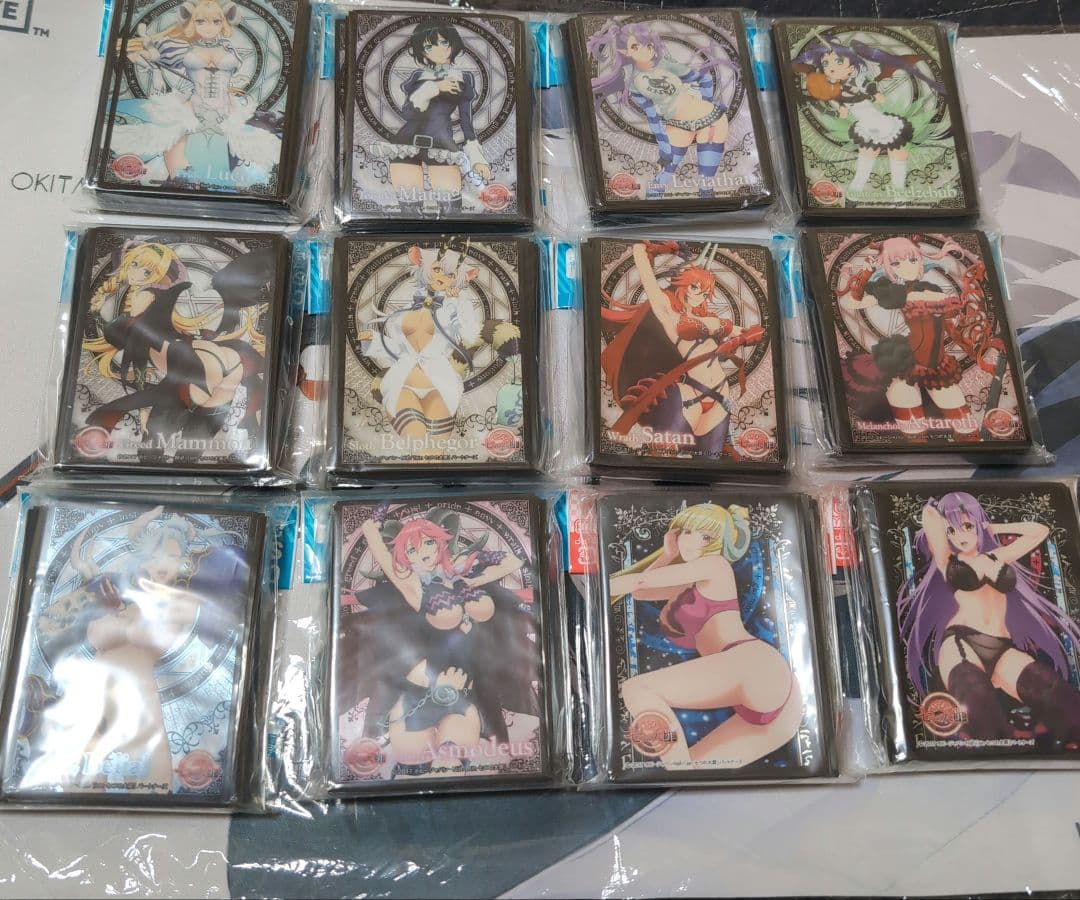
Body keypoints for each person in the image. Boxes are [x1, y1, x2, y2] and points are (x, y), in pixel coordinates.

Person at [340, 506, 539, 775]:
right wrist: (375, 520)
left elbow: (514, 562)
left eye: (428, 542)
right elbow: (376, 545)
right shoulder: (413, 586)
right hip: (417, 693)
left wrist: (481, 558)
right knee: (412, 765)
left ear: (440, 543)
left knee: (454, 759)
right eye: (411, 549)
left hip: (464, 694)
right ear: (405, 557)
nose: (422, 551)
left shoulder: (462, 578)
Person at [609, 502, 802, 767]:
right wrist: (667, 554)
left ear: (719, 542)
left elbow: (639, 582)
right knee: (684, 768)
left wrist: (601, 586)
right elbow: (641, 592)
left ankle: (666, 745)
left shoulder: (716, 566)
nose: (690, 541)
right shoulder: (690, 583)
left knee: (636, 689)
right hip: (770, 692)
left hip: (751, 664)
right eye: (686, 531)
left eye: (705, 536)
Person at [899, 492, 1080, 744]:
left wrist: (994, 527)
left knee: (1056, 695)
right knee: (979, 708)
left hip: (1002, 647)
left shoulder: (998, 556)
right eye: (952, 530)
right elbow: (928, 516)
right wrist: (944, 510)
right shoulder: (947, 560)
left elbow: (1040, 531)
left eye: (967, 526)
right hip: (961, 642)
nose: (960, 536)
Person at [82, 240, 269, 463]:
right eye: (134, 265)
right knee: (156, 454)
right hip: (198, 384)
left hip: (209, 384)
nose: (135, 273)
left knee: (175, 455)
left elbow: (184, 384)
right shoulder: (146, 326)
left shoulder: (162, 313)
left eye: (146, 270)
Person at [600, 240, 763, 456]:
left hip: (720, 398)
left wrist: (749, 336)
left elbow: (747, 332)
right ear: (682, 284)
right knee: (663, 460)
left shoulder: (708, 316)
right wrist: (654, 249)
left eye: (705, 292)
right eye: (695, 287)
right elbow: (646, 274)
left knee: (710, 463)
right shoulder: (668, 313)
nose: (700, 295)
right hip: (690, 394)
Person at [836, 236, 1002, 440]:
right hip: (902, 363)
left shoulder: (933, 290)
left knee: (967, 428)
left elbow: (951, 326)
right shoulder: (893, 292)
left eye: (912, 259)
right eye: (896, 263)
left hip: (937, 364)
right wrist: (866, 274)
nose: (907, 267)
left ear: (920, 259)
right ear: (887, 266)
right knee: (914, 432)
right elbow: (852, 303)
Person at [358, 244, 518, 450]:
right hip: (402, 383)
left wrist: (458, 301)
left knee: (435, 451)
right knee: (416, 440)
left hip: (440, 385)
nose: (442, 276)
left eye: (451, 274)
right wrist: (373, 339)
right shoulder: (408, 309)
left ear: (459, 279)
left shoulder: (454, 307)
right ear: (424, 269)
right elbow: (400, 350)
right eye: (436, 269)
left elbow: (470, 334)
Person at [115, 0, 281, 188]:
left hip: (226, 109)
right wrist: (149, 49)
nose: (209, 27)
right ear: (193, 23)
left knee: (245, 150)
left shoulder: (229, 48)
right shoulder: (184, 49)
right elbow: (153, 57)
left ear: (223, 22)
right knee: (174, 145)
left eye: (216, 21)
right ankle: (177, 186)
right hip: (193, 107)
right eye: (201, 21)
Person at [589, 22, 731, 198]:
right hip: (678, 125)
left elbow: (705, 78)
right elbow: (652, 117)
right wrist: (664, 149)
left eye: (647, 44)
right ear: (625, 52)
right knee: (659, 183)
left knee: (706, 185)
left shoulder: (665, 63)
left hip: (711, 121)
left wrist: (708, 103)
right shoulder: (632, 82)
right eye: (635, 46)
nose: (645, 50)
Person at [793, 38, 944, 196]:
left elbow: (868, 85)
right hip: (866, 129)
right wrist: (836, 109)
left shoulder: (859, 82)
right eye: (826, 64)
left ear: (852, 68)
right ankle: (854, 195)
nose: (831, 68)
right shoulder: (835, 94)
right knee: (864, 165)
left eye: (838, 61)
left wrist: (875, 93)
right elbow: (840, 111)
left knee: (898, 160)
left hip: (886, 126)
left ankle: (899, 196)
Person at [375, 21, 491, 218]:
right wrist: (434, 88)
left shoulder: (463, 78)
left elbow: (467, 122)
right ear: (422, 52)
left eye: (444, 43)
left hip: (441, 145)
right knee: (409, 213)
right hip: (405, 144)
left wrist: (477, 159)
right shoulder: (418, 77)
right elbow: (408, 113)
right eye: (429, 47)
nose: (438, 51)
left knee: (451, 212)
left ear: (453, 44)